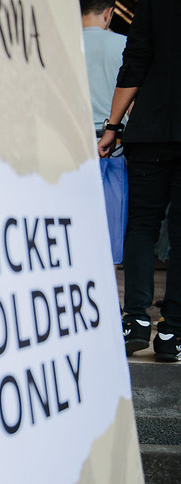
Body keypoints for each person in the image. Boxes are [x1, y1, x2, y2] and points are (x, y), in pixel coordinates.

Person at [98, 0, 181, 362]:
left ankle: (135, 321)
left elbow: (134, 63)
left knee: (142, 226)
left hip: (151, 129)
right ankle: (172, 331)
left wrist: (112, 127)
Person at [80, 0, 126, 133]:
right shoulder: (126, 46)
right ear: (108, 13)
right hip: (112, 140)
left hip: (70, 139)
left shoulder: (59, 45)